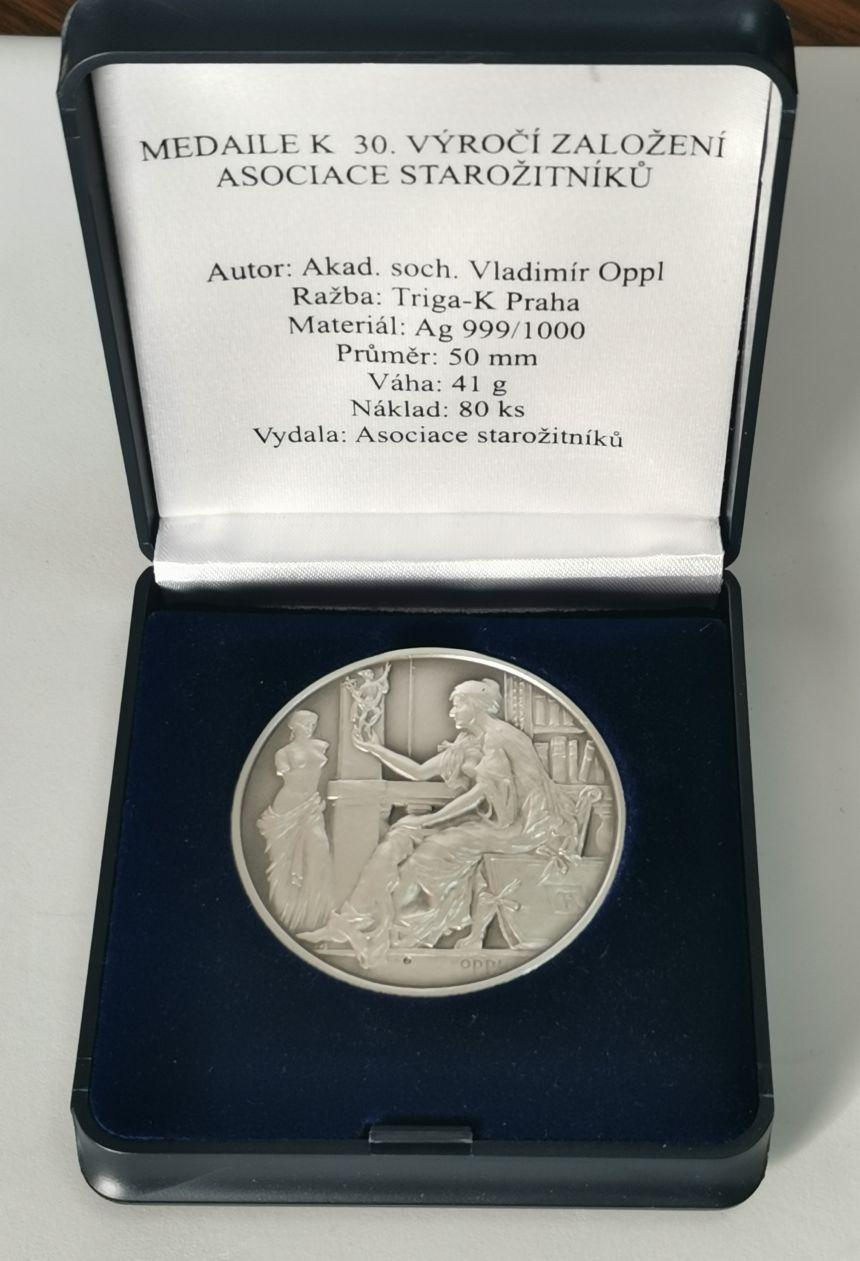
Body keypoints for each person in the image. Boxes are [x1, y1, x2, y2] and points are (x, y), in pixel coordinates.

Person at [300, 678, 579, 967]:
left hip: (518, 828)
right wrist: (374, 749)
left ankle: (400, 932)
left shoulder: (500, 738)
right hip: (487, 822)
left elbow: (479, 794)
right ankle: (348, 923)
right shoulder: (469, 741)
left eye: (457, 705)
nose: (451, 712)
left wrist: (433, 819)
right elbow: (420, 772)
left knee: (428, 854)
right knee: (400, 834)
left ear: (475, 706)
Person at [256, 709, 335, 934]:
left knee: (320, 850)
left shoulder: (321, 746)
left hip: (311, 806)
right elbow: (285, 774)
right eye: (305, 723)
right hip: (288, 807)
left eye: (313, 723)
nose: (310, 727)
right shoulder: (283, 753)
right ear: (294, 725)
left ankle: (315, 915)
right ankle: (285, 913)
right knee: (284, 860)